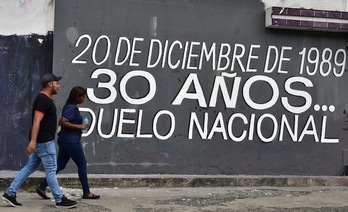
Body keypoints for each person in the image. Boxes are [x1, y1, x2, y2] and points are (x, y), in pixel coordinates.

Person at [1, 73, 78, 208]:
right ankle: (59, 199)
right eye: (57, 83)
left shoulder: (44, 98)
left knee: (30, 167)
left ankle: (10, 193)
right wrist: (33, 141)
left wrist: (34, 140)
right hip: (44, 141)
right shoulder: (43, 100)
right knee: (51, 170)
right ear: (50, 84)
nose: (59, 86)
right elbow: (37, 120)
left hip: (41, 141)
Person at [36, 86, 100, 200]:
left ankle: (42, 187)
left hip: (65, 141)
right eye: (82, 97)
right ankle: (86, 192)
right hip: (71, 141)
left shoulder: (71, 107)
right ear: (77, 97)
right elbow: (62, 122)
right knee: (82, 164)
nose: (83, 99)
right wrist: (79, 126)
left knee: (60, 165)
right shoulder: (71, 108)